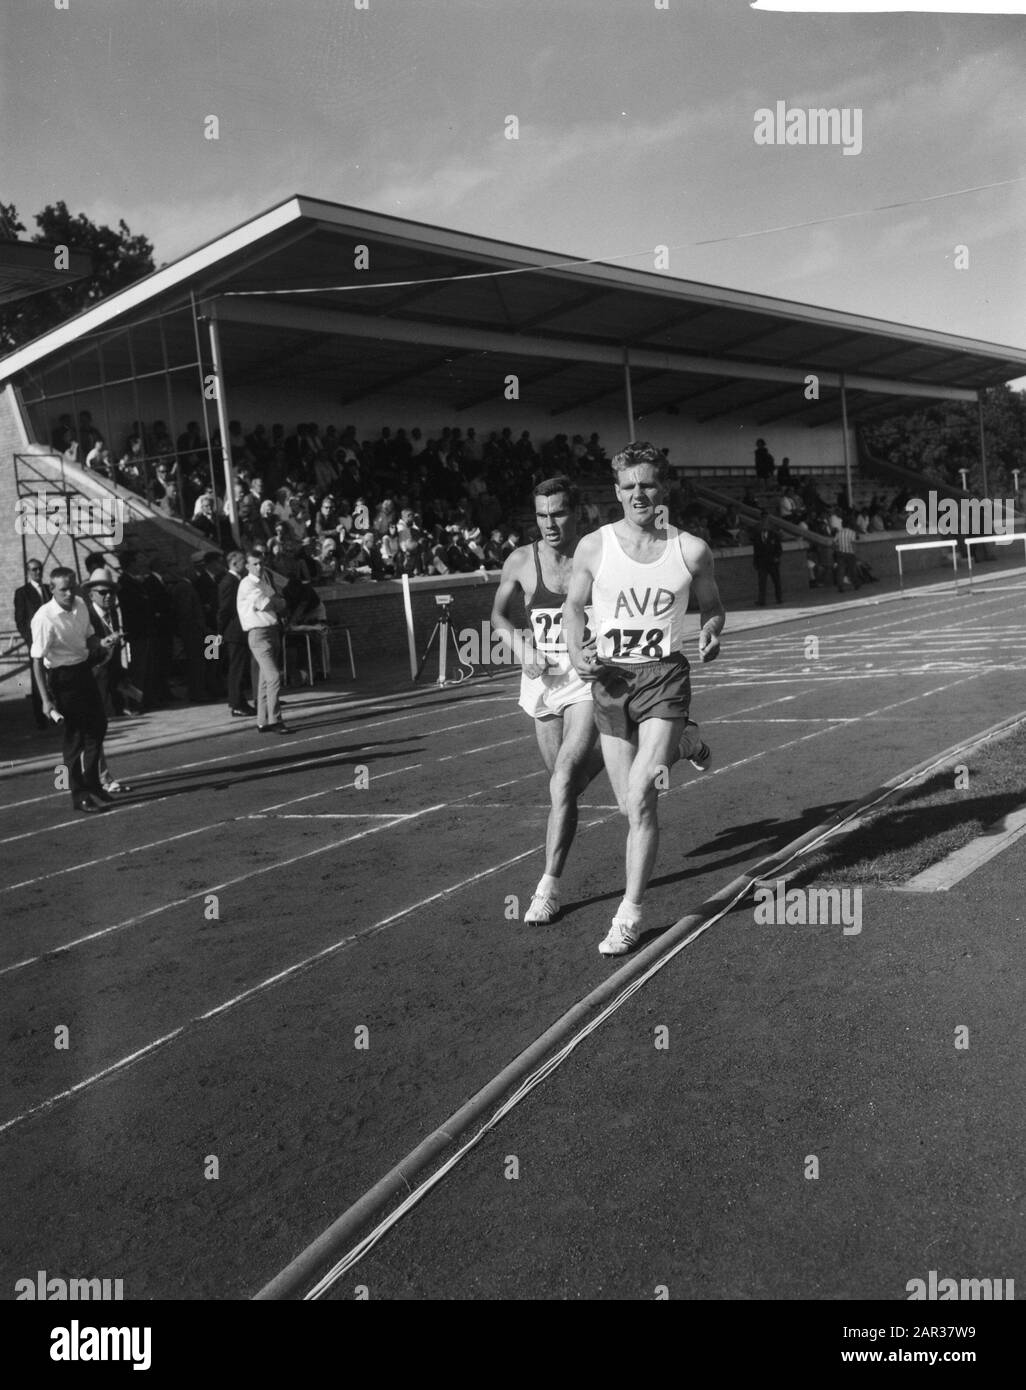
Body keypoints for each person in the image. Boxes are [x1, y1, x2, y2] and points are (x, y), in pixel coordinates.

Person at [564, 441, 724, 956]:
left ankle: (629, 913)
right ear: (616, 492)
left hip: (664, 679)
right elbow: (572, 608)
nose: (639, 494)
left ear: (663, 488)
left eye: (648, 484)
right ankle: (687, 743)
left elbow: (714, 608)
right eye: (629, 486)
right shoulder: (593, 547)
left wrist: (712, 632)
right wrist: (574, 649)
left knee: (641, 796)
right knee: (627, 809)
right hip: (610, 683)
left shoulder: (691, 549)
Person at [491, 476, 605, 925]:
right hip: (541, 683)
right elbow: (498, 615)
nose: (550, 523)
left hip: (585, 680)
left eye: (558, 512)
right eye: (541, 514)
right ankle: (674, 745)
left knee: (561, 783)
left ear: (577, 512)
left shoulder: (596, 555)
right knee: (567, 787)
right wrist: (522, 649)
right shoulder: (521, 560)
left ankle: (547, 888)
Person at [30, 567, 117, 813]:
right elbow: (36, 660)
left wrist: (101, 642)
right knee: (74, 739)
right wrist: (46, 702)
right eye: (63, 589)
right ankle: (79, 796)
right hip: (62, 678)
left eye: (72, 587)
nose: (68, 593)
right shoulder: (44, 617)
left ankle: (93, 784)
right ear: (52, 589)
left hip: (83, 671)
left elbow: (89, 637)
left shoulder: (80, 604)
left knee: (98, 727)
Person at [237, 549, 288, 732]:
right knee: (273, 676)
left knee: (265, 679)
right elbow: (268, 603)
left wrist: (275, 601)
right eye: (255, 564)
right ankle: (275, 719)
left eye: (261, 563)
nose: (259, 567)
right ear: (247, 566)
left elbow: (279, 602)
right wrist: (275, 601)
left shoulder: (263, 581)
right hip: (258, 634)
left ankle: (262, 720)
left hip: (271, 630)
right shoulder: (247, 584)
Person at [14, 559, 51, 729]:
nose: (38, 572)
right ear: (28, 571)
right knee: (38, 679)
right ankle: (41, 718)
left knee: (55, 675)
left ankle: (57, 712)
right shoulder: (23, 593)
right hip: (36, 641)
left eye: (40, 569)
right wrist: (30, 639)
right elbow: (20, 620)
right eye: (34, 570)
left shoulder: (48, 590)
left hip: (53, 640)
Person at [751, 510, 784, 606]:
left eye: (766, 520)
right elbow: (756, 550)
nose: (765, 523)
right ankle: (761, 600)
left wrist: (777, 557)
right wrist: (755, 562)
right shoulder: (757, 536)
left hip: (773, 562)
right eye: (763, 520)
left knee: (776, 581)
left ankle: (779, 598)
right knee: (762, 583)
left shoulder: (774, 535)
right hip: (762, 562)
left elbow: (779, 549)